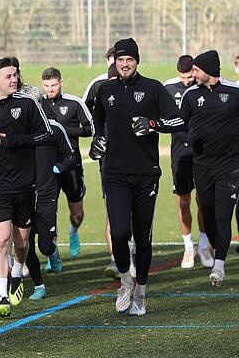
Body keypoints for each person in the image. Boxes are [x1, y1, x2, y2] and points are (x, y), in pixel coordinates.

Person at [90, 38, 185, 316]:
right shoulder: (105, 90)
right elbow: (97, 122)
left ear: (137, 60)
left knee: (142, 237)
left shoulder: (153, 88)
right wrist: (98, 140)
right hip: (115, 173)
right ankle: (125, 281)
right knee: (119, 233)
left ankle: (141, 294)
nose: (125, 64)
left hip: (146, 174)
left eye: (129, 59)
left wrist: (152, 124)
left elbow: (178, 121)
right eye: (120, 60)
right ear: (115, 62)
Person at [0, 57, 51, 317]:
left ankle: (17, 272)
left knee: (22, 242)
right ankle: (2, 295)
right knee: (0, 240)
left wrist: (17, 140)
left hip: (25, 185)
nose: (14, 79)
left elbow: (46, 134)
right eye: (8, 76)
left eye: (15, 75)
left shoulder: (28, 104)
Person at [180, 50, 239, 286]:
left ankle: (219, 265)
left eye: (196, 70)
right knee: (208, 212)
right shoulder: (191, 95)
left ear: (209, 72)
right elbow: (179, 122)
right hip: (202, 165)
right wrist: (186, 138)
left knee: (224, 214)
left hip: (231, 166)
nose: (193, 74)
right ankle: (217, 249)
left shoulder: (235, 92)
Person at [19, 85, 77, 300]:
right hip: (22, 194)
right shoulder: (16, 131)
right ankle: (39, 286)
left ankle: (52, 251)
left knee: (44, 245)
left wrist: (57, 169)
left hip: (46, 193)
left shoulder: (53, 129)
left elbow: (71, 156)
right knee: (25, 244)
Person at [163, 56, 212, 269]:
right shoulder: (167, 89)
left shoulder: (204, 86)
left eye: (189, 76)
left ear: (195, 71)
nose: (186, 81)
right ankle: (188, 247)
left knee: (203, 200)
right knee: (183, 201)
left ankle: (203, 245)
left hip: (203, 153)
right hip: (180, 154)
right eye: (182, 77)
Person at [40, 67, 94, 259]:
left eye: (53, 85)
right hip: (47, 167)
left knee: (76, 213)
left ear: (61, 83)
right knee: (48, 212)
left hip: (72, 165)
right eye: (46, 86)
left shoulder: (74, 103)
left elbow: (90, 129)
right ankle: (52, 253)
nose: (50, 89)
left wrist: (64, 130)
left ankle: (73, 232)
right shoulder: (38, 105)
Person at [83, 47, 126, 279]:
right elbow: (86, 114)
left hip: (136, 163)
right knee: (113, 206)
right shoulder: (98, 87)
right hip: (109, 162)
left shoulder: (141, 91)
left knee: (134, 214)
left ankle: (131, 256)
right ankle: (117, 260)